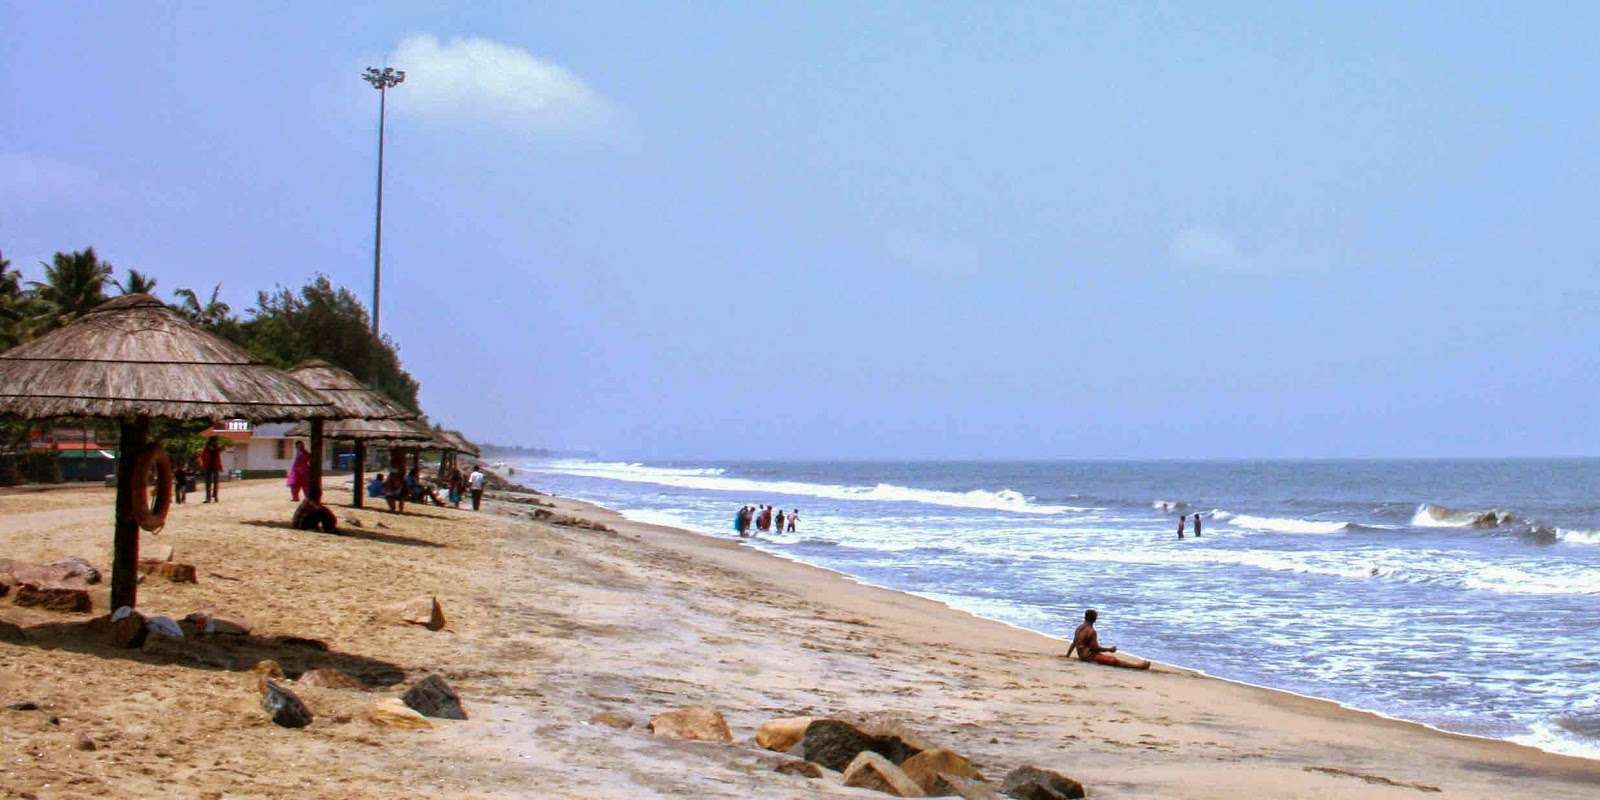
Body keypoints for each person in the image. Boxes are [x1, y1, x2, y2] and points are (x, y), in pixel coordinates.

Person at [1067, 609, 1151, 670]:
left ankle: (1137, 665)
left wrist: (1068, 655)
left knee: (1109, 658)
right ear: (1095, 619)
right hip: (1089, 657)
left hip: (1082, 656)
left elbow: (1074, 642)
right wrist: (1109, 649)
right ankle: (1138, 666)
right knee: (1114, 660)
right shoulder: (1091, 631)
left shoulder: (1079, 628)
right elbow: (1095, 648)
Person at [200, 437, 223, 503]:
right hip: (208, 466)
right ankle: (208, 498)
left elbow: (219, 455)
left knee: (215, 482)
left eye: (216, 441)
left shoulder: (217, 448)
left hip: (215, 466)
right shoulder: (206, 448)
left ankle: (215, 496)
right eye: (214, 441)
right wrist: (203, 463)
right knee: (208, 483)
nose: (215, 442)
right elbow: (202, 456)